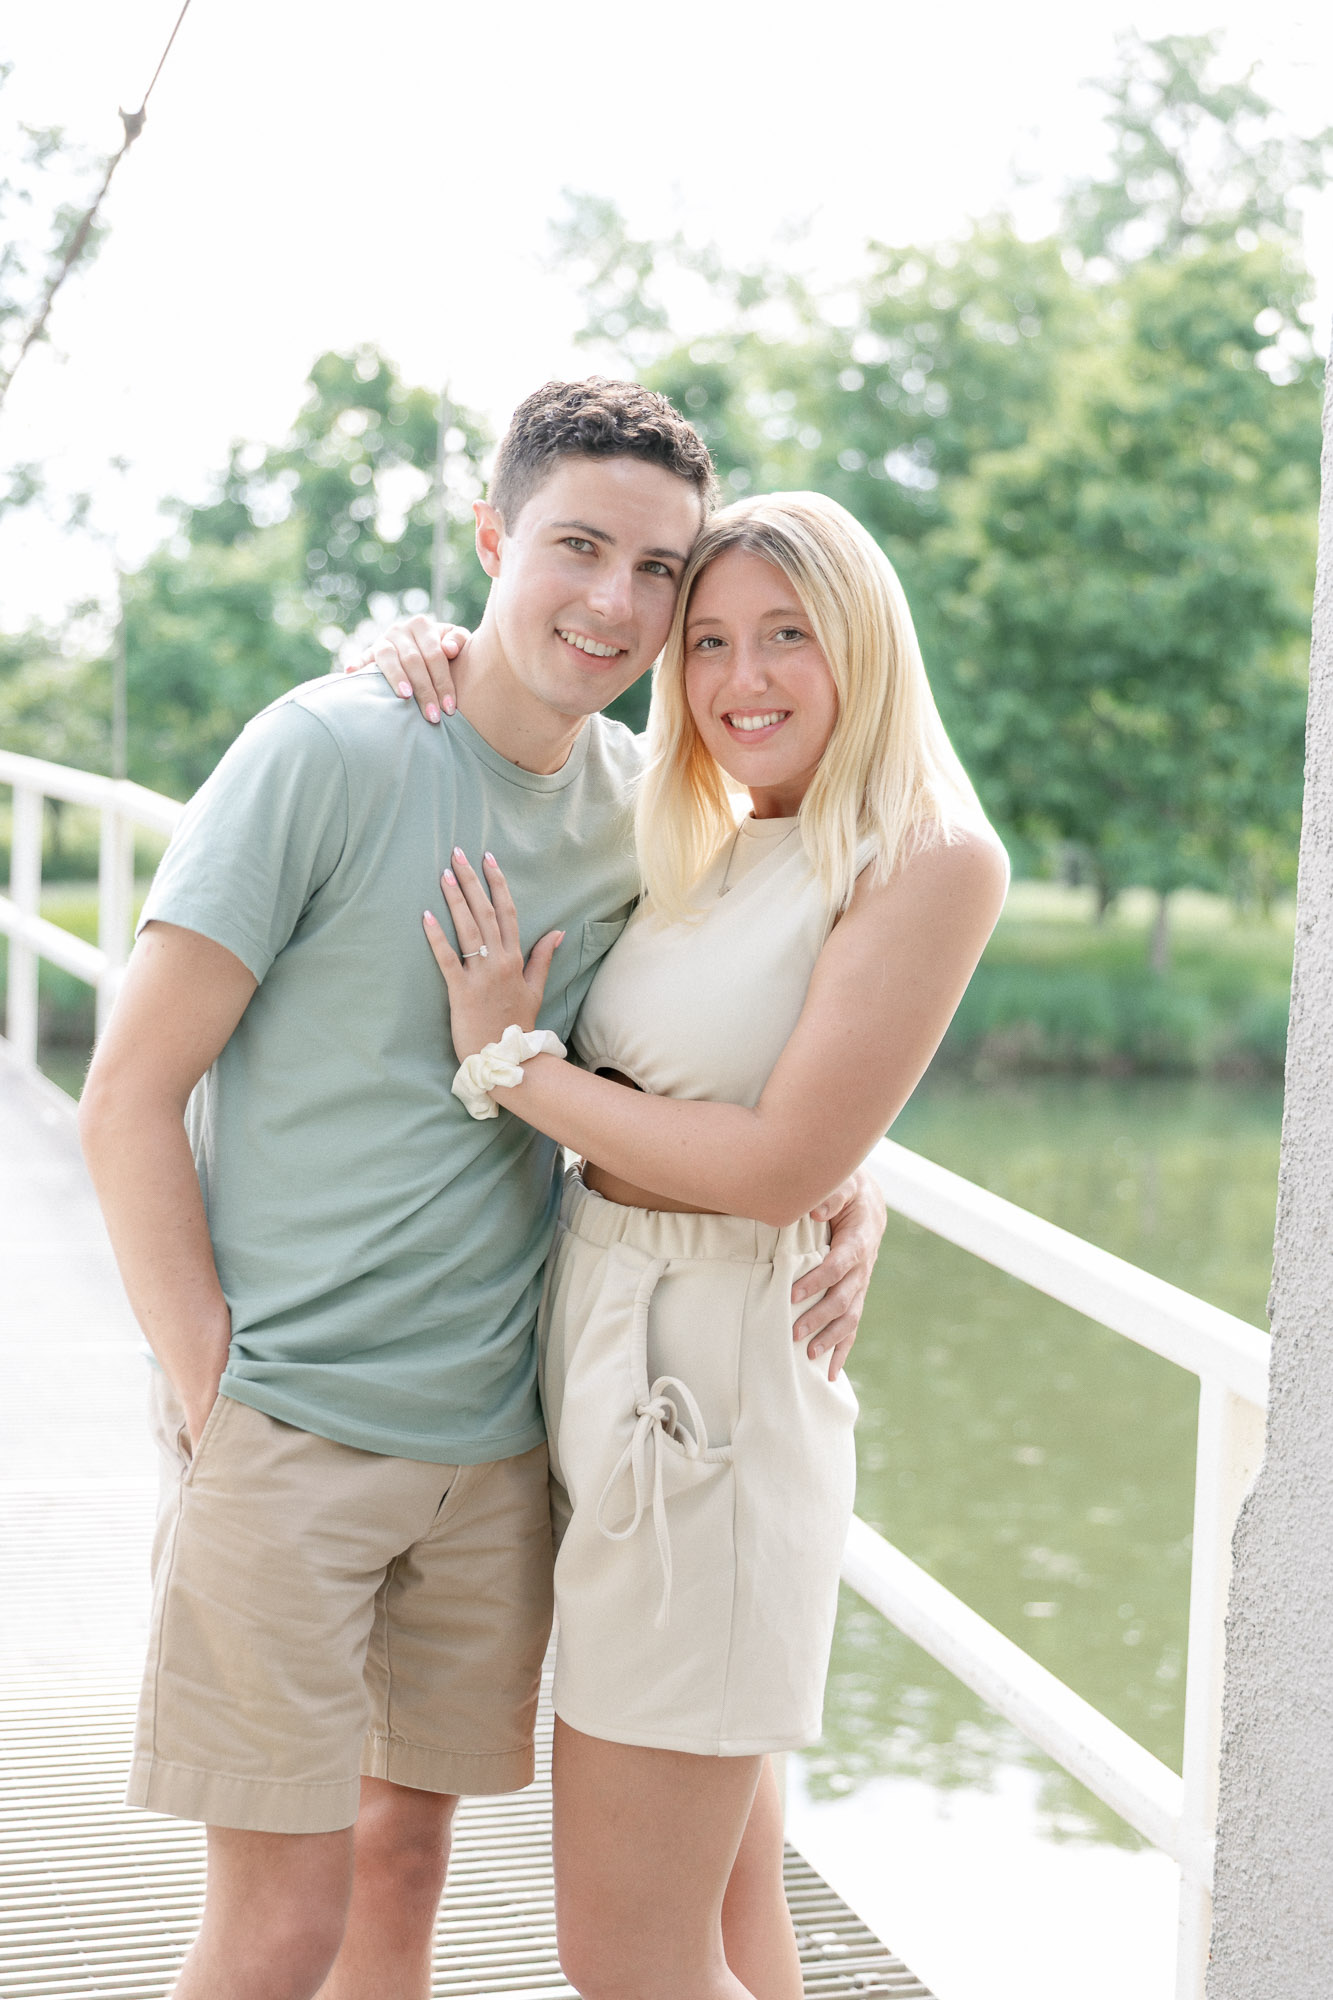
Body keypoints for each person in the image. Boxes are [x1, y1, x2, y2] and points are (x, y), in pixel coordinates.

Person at [76, 380, 887, 2000]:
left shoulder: (657, 812)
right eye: (577, 546)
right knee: (277, 1926)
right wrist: (209, 1384)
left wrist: (852, 1173)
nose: (615, 601)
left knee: (403, 1870)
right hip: (290, 1422)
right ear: (489, 538)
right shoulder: (326, 747)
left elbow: (726, 1035)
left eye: (659, 573)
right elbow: (127, 1096)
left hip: (504, 1450)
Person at [397, 489, 1009, 1999]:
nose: (743, 678)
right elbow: (764, 1089)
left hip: (712, 1400)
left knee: (627, 1957)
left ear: (863, 641)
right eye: (714, 642)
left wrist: (514, 1067)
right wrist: (423, 650)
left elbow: (776, 1157)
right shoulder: (726, 829)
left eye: (788, 637)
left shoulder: (927, 852)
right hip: (600, 1339)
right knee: (731, 1925)